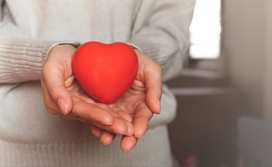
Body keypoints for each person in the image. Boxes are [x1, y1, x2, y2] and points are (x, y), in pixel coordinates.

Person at [0, 0, 195, 166]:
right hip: (18, 154)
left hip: (145, 150)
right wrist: (43, 58)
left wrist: (139, 60)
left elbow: (172, 30)